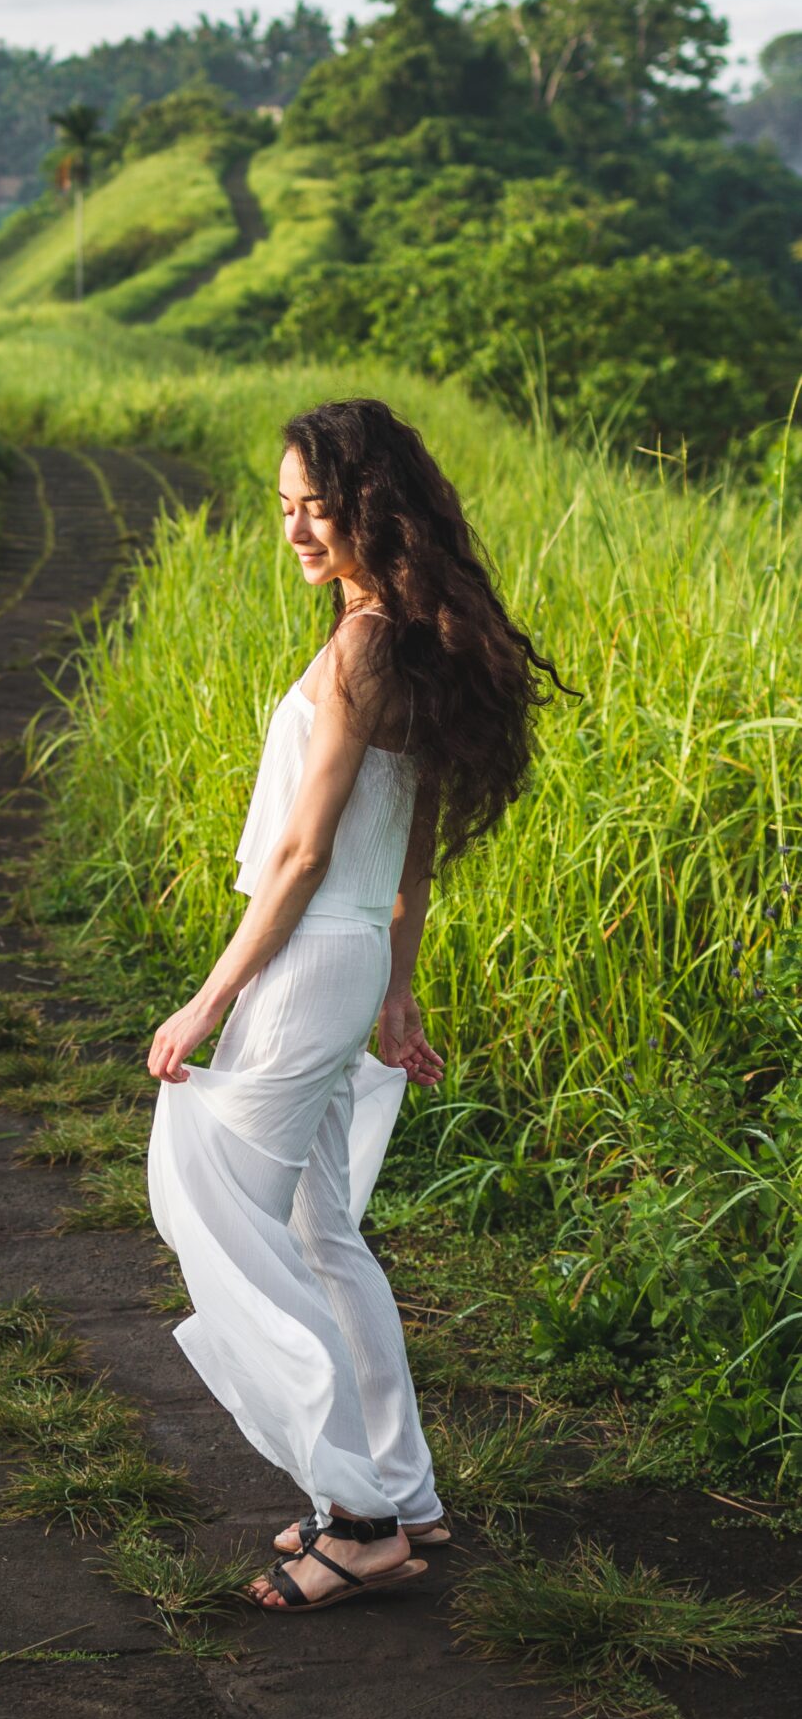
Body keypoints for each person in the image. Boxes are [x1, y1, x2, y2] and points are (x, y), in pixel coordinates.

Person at [145, 397, 573, 1614]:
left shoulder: (365, 649)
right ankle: (404, 1490)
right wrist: (397, 993)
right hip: (345, 970)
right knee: (323, 1231)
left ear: (367, 505)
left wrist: (205, 998)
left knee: (215, 1198)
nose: (292, 528)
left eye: (312, 507)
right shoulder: (407, 640)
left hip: (301, 968)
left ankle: (363, 1515)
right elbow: (414, 853)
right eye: (281, 507)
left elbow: (302, 858)